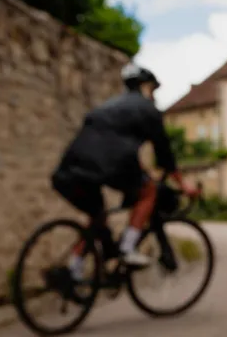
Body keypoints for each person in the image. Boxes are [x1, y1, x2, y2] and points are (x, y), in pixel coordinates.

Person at [52, 64, 199, 278]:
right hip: (108, 165)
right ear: (146, 87)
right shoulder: (148, 110)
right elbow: (164, 154)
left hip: (71, 167)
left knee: (97, 218)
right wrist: (184, 185)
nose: (154, 95)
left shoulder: (107, 107)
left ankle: (73, 269)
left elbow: (110, 145)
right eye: (154, 90)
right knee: (148, 190)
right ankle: (127, 248)